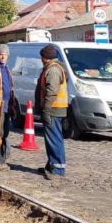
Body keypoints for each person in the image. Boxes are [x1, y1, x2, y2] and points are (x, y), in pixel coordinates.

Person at [35, 44, 68, 178]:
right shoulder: (55, 68)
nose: (41, 59)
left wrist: (46, 110)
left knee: (54, 139)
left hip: (53, 109)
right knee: (53, 138)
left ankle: (57, 168)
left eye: (42, 57)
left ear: (45, 58)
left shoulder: (53, 70)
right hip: (55, 109)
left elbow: (52, 91)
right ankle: (52, 165)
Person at [0, 44, 14, 167]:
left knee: (5, 133)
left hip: (7, 106)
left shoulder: (7, 69)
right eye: (1, 54)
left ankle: (3, 156)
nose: (3, 56)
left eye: (5, 55)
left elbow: (10, 87)